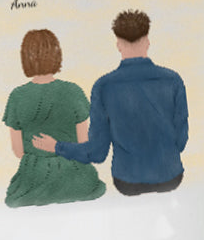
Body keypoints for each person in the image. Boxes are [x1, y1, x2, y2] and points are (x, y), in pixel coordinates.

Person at [33, 10, 188, 195]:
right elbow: (181, 142)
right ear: (148, 41)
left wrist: (56, 147)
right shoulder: (173, 80)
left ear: (118, 45)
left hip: (127, 182)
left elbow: (97, 153)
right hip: (171, 178)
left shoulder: (103, 86)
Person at [2, 29, 106, 208]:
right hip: (75, 178)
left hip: (34, 179)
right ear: (56, 55)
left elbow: (18, 152)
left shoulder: (17, 96)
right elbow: (83, 145)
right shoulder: (73, 91)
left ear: (25, 58)